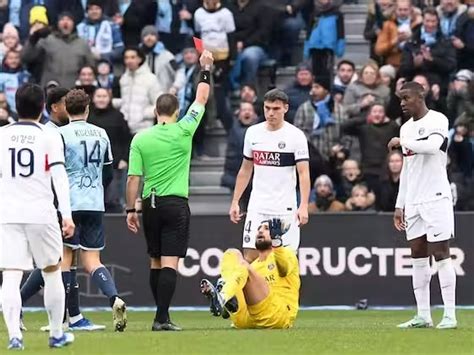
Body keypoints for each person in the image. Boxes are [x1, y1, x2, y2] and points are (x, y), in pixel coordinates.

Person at [125, 50, 215, 331]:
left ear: (155, 112)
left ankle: (160, 313)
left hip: (149, 204)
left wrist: (131, 208)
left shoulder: (141, 137)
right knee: (169, 262)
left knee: (154, 260)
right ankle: (162, 318)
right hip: (175, 203)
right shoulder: (184, 129)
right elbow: (201, 97)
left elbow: (132, 178)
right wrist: (205, 68)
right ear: (176, 112)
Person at [19, 87, 105, 332]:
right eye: (64, 103)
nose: (68, 107)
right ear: (55, 107)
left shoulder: (59, 132)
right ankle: (19, 303)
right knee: (56, 260)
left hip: (63, 204)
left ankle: (74, 316)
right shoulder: (49, 133)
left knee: (66, 260)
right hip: (50, 203)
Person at [0, 83, 75, 349]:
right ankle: (56, 333)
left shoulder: (1, 135)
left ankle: (14, 336)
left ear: (15, 105)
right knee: (52, 270)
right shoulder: (49, 135)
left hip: (8, 213)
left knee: (11, 273)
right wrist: (66, 214)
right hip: (41, 213)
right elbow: (59, 176)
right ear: (43, 106)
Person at [387, 81, 457, 329]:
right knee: (417, 254)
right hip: (414, 200)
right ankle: (423, 315)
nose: (403, 103)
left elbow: (433, 146)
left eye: (406, 98)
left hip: (436, 196)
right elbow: (407, 169)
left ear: (421, 95)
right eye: (400, 99)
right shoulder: (405, 129)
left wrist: (402, 143)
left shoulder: (437, 120)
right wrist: (400, 204)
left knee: (441, 253)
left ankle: (449, 315)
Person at [60, 89, 127, 332]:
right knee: (92, 260)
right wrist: (97, 188)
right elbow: (109, 172)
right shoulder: (101, 134)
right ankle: (114, 298)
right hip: (94, 202)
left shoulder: (61, 134)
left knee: (65, 260)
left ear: (66, 109)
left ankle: (66, 317)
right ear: (87, 109)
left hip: (69, 204)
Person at [229, 88, 311, 262]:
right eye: (267, 108)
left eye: (276, 109)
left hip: (284, 208)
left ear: (285, 109)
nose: (271, 113)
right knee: (250, 257)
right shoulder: (253, 133)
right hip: (258, 205)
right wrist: (235, 201)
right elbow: (245, 169)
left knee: (285, 261)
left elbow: (303, 173)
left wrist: (303, 205)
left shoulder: (296, 136)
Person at [200, 218, 300, 329]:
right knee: (232, 253)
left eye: (266, 229)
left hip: (277, 315)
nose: (260, 231)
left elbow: (284, 269)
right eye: (258, 229)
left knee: (244, 267)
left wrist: (277, 243)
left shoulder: (286, 253)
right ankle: (225, 298)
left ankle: (222, 297)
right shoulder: (253, 266)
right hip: (247, 319)